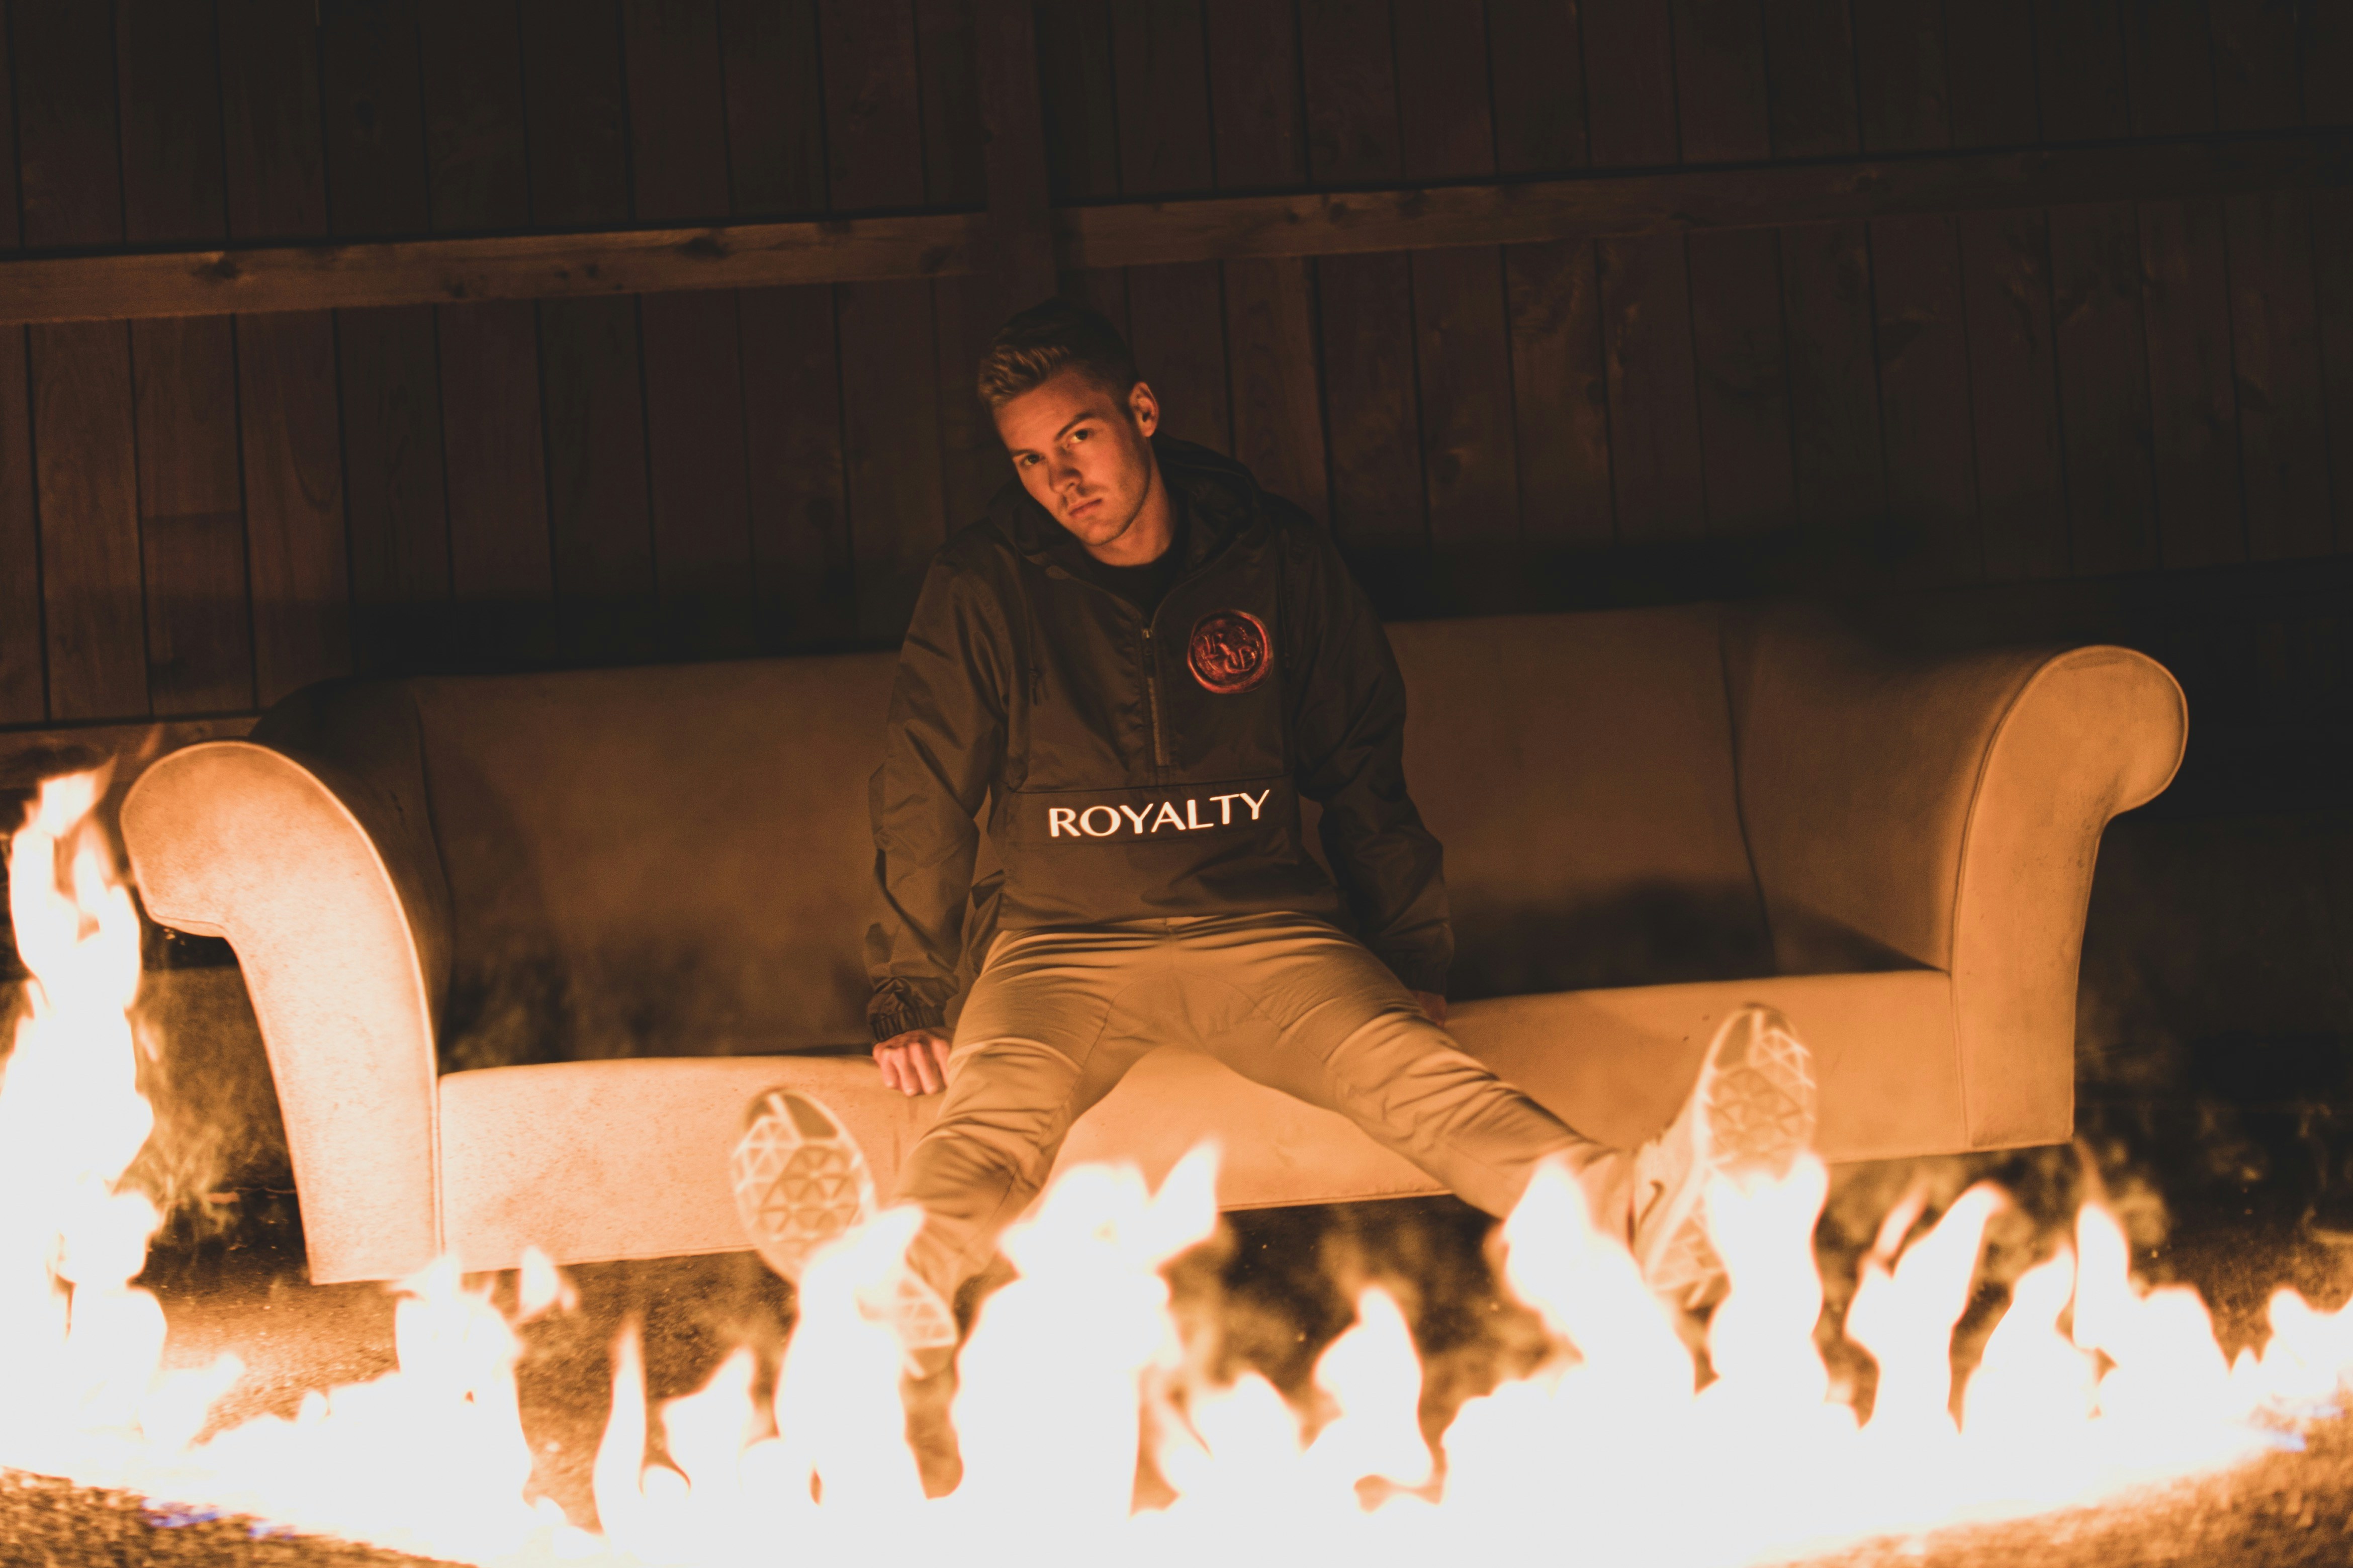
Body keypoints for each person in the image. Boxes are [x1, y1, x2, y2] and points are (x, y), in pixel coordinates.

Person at [730, 299, 1816, 1369]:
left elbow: (1359, 754)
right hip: (1061, 943)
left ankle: (1637, 1209)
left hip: (1257, 927)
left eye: (1079, 439)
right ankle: (889, 1275)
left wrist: (1408, 945)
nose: (1061, 483)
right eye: (1027, 462)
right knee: (989, 1123)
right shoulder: (984, 582)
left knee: (1417, 1076)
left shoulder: (1275, 557)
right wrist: (911, 993)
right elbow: (924, 784)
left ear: (1142, 411)